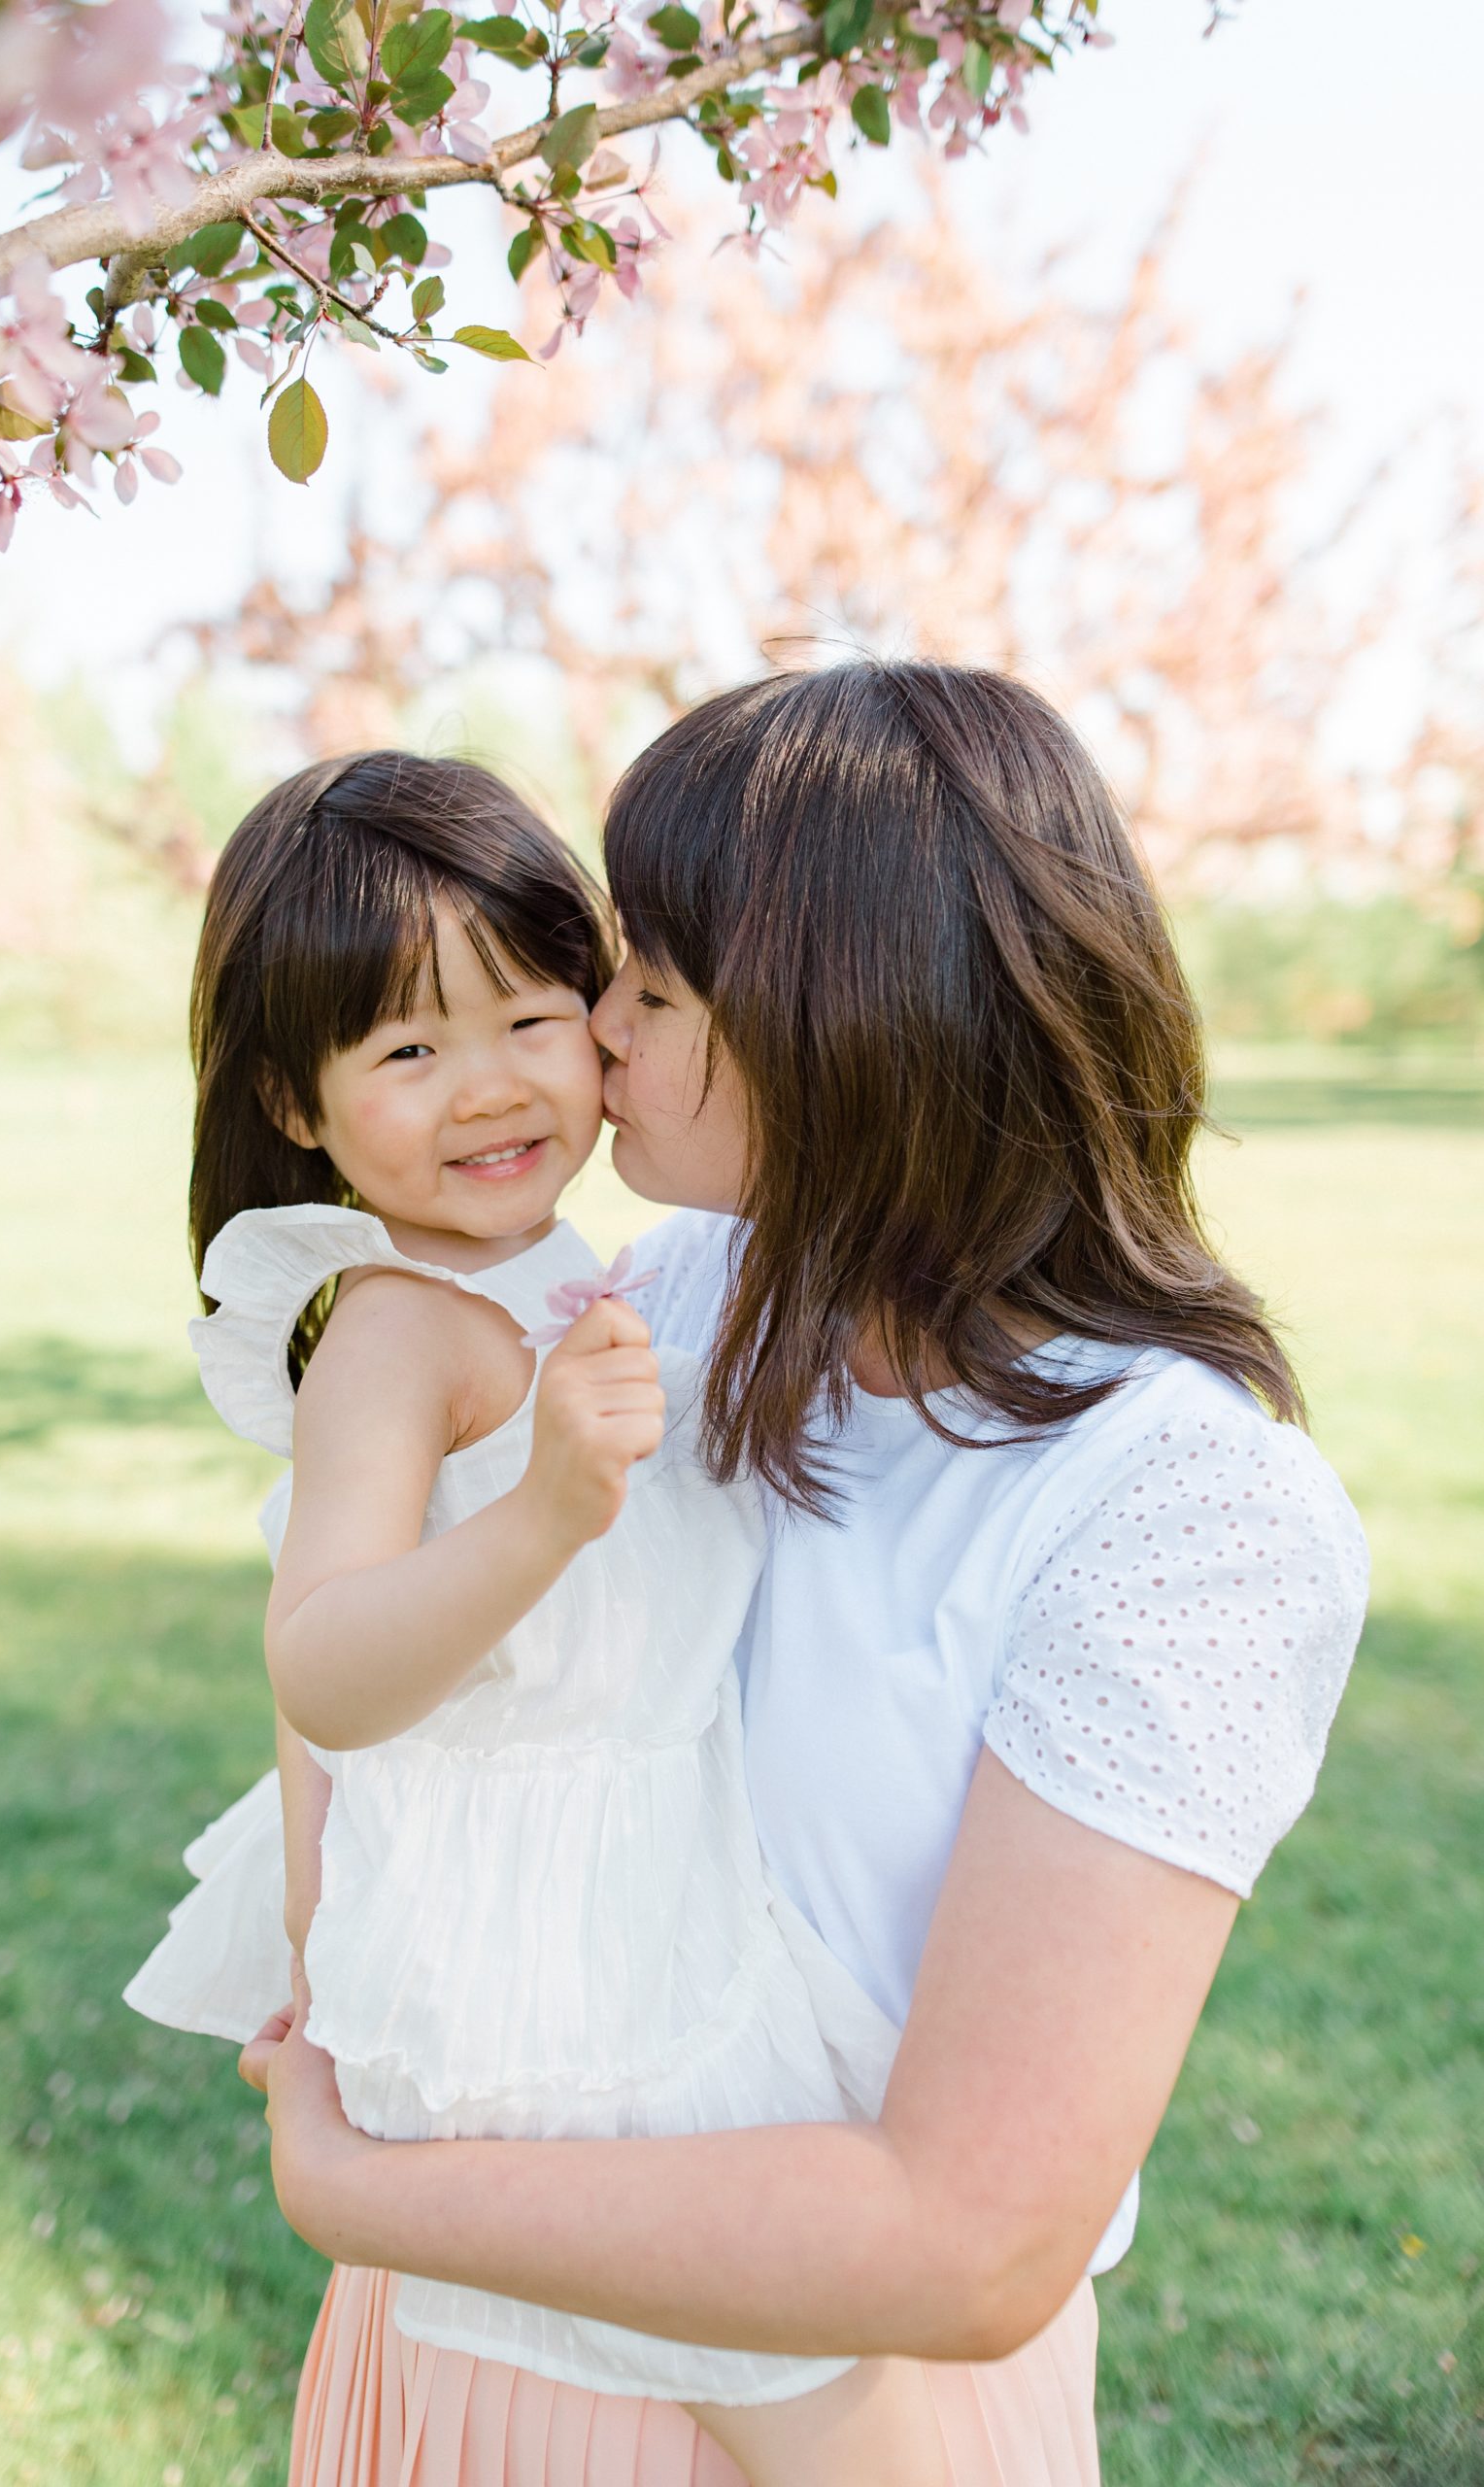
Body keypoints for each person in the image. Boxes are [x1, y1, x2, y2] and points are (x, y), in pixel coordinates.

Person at [238, 662, 1370, 2487]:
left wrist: (369, 2186)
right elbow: (360, 1667)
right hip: (469, 2349)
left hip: (830, 2397)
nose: (591, 1031)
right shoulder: (666, 1304)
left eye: (650, 988)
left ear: (846, 1029)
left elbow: (967, 2236)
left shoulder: (1179, 1512)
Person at [125, 746, 965, 2484]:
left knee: (825, 2376)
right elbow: (323, 1666)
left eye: (531, 1015)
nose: (492, 1088)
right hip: (546, 1964)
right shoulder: (392, 1333)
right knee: (832, 2421)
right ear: (299, 1103)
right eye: (409, 1051)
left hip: (665, 1894)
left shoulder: (596, 1282)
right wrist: (541, 1517)